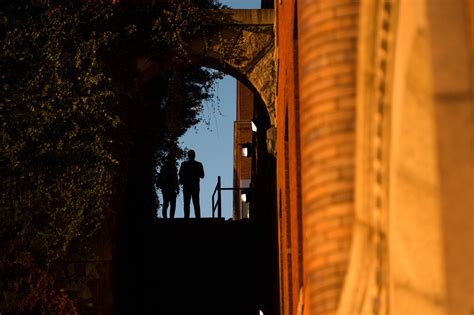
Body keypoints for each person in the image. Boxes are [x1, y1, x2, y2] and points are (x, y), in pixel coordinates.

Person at [179, 149, 205, 218]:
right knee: (192, 203)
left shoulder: (185, 164)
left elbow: (202, 175)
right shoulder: (197, 164)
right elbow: (202, 175)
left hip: (192, 186)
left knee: (191, 203)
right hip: (192, 186)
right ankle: (195, 217)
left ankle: (190, 217)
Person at [157, 154, 179, 219]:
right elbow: (163, 177)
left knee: (171, 204)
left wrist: (177, 188)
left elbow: (175, 178)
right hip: (166, 188)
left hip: (170, 188)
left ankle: (170, 217)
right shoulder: (165, 168)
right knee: (167, 203)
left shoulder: (173, 168)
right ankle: (166, 217)